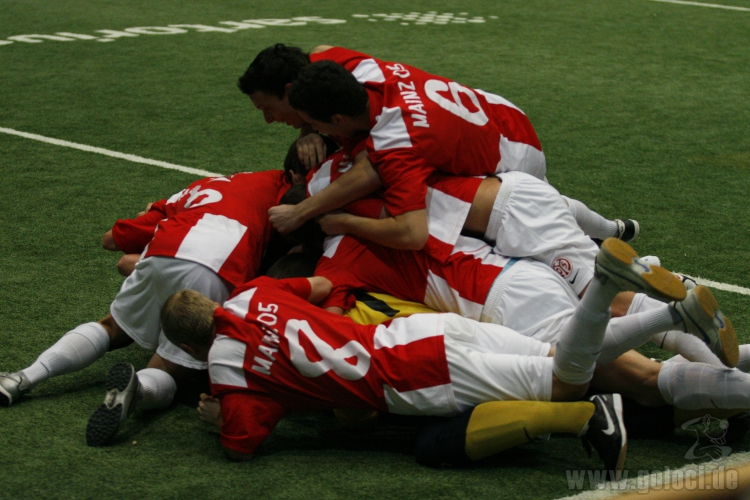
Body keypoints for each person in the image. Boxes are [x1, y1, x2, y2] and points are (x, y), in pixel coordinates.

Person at [159, 238, 689, 473]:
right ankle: (671, 316)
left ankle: (604, 291)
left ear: (189, 346)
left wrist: (218, 415)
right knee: (563, 357)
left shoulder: (230, 370)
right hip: (422, 330)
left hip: (413, 378)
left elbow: (242, 443)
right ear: (215, 303)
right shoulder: (255, 294)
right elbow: (318, 286)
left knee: (569, 382)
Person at [0, 170, 291, 447]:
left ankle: (23, 377)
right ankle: (138, 388)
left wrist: (150, 217)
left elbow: (112, 241)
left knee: (112, 327)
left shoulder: (196, 189)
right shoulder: (283, 189)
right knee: (170, 362)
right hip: (220, 264)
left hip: (166, 249)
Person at [238, 45, 639, 245]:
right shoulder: (336, 63)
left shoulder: (397, 138)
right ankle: (615, 229)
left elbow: (409, 229)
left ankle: (606, 240)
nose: (269, 119)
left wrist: (305, 212)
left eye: (269, 108)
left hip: (512, 152)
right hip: (493, 110)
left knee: (506, 214)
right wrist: (308, 128)